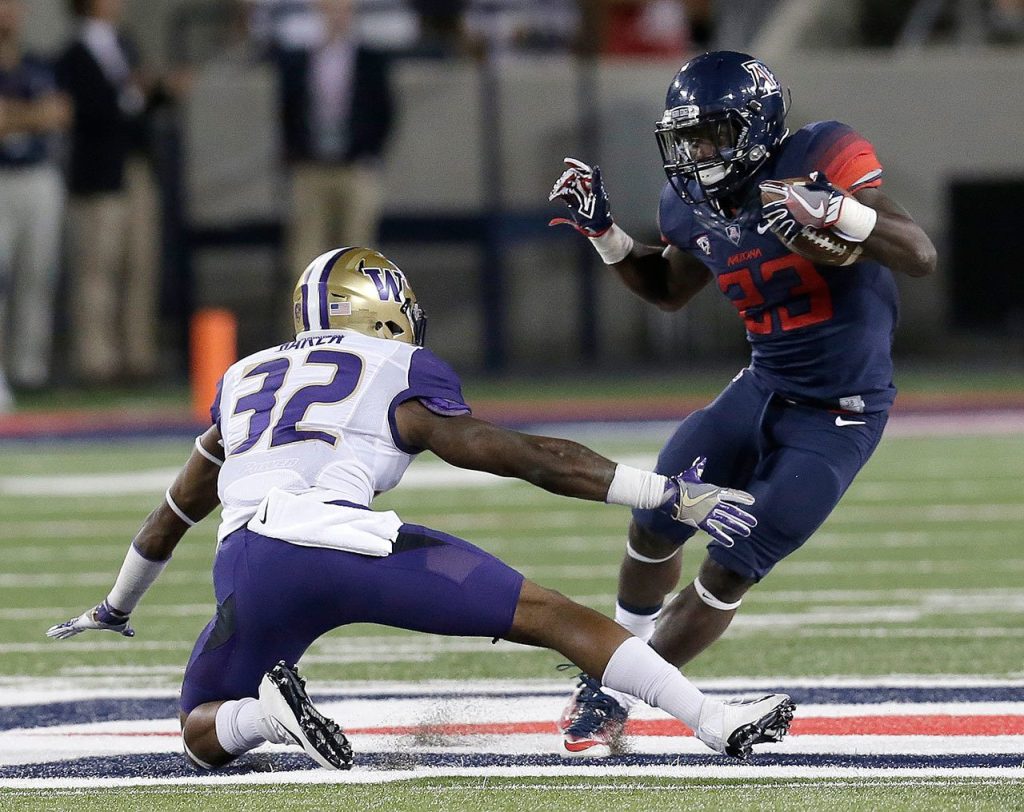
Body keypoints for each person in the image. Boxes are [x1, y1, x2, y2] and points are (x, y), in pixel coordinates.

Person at [46, 246, 794, 769]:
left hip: (246, 565)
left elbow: (172, 516)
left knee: (201, 728)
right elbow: (521, 456)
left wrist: (115, 605)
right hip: (346, 545)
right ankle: (715, 720)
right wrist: (665, 492)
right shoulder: (396, 364)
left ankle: (264, 718)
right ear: (379, 308)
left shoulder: (241, 380)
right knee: (559, 619)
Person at [548, 50, 936, 756]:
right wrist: (605, 234)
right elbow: (669, 289)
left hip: (839, 412)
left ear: (755, 128)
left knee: (732, 560)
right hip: (761, 385)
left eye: (711, 136)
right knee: (657, 514)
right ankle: (619, 652)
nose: (696, 155)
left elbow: (918, 253)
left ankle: (616, 691)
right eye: (686, 139)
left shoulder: (821, 157)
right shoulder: (690, 203)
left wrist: (841, 213)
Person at [56, 0, 166, 385]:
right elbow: (87, 110)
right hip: (99, 176)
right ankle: (95, 360)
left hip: (135, 167)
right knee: (97, 270)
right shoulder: (72, 54)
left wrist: (153, 90)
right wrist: (129, 93)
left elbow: (139, 104)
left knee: (141, 265)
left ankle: (138, 356)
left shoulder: (126, 43)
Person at [271, 0, 394, 280]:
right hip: (310, 167)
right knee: (306, 255)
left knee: (358, 257)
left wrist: (369, 152)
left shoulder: (368, 60)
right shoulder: (303, 59)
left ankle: (357, 322)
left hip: (355, 166)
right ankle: (308, 321)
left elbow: (384, 111)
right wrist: (296, 152)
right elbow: (288, 109)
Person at [0, 0, 70, 408]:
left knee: (37, 275)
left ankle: (29, 370)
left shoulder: (36, 61)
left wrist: (16, 117)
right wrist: (35, 116)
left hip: (38, 176)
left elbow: (61, 112)